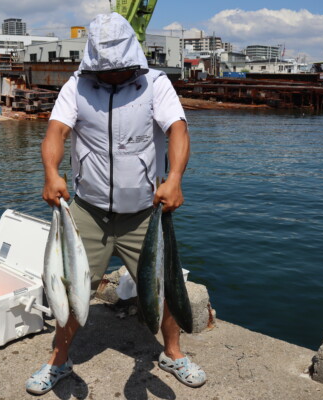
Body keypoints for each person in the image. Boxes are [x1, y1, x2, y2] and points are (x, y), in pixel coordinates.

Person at [26, 12, 206, 395]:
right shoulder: (76, 87)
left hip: (143, 212)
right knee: (71, 287)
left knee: (164, 286)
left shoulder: (156, 84)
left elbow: (178, 129)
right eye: (105, 70)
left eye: (120, 68)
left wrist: (173, 179)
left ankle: (172, 353)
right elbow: (56, 131)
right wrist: (51, 173)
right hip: (87, 211)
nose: (112, 75)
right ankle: (59, 360)